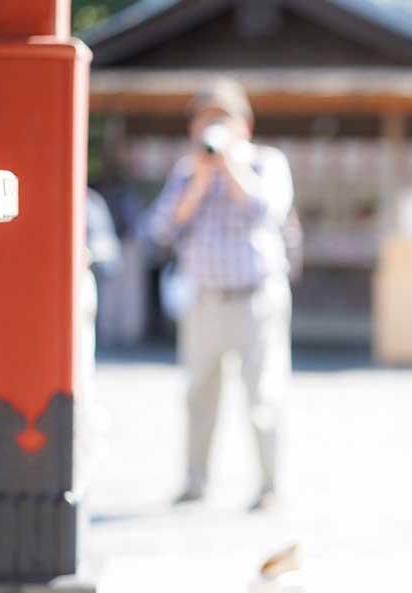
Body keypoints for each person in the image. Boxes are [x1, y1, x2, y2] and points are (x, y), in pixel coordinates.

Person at [148, 79, 295, 511]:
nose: (211, 129)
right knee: (199, 395)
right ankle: (195, 483)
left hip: (256, 299)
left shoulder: (267, 162)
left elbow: (268, 210)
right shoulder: (186, 171)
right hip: (204, 299)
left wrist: (229, 167)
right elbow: (160, 230)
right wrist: (199, 181)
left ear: (244, 126)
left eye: (221, 120)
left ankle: (269, 488)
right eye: (204, 121)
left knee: (264, 397)